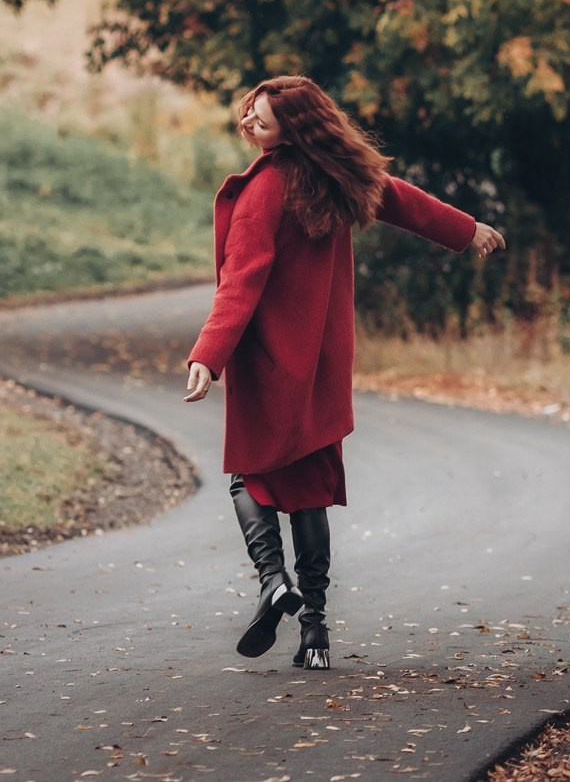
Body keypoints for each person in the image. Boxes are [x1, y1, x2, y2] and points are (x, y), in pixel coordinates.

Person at [184, 75, 505, 670]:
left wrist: (209, 353)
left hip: (271, 360)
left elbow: (240, 283)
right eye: (250, 111)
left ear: (293, 128)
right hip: (322, 366)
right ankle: (315, 634)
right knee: (308, 495)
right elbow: (402, 199)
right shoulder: (336, 177)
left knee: (245, 476)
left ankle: (274, 581)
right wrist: (468, 230)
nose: (251, 121)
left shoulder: (266, 188)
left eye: (264, 117)